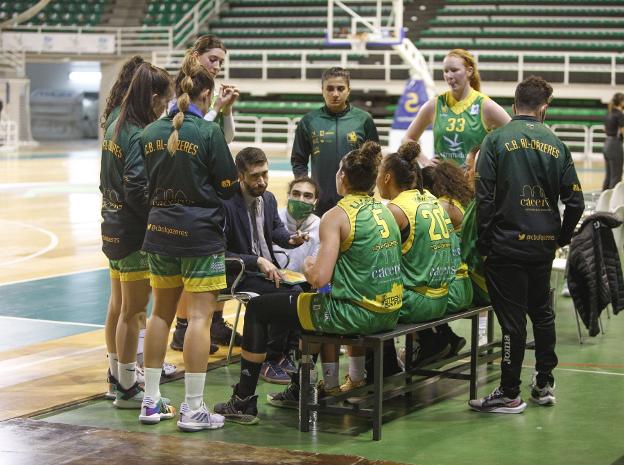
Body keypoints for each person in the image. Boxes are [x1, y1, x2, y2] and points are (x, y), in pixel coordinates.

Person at [213, 141, 403, 424]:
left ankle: (244, 400)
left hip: (354, 313)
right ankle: (300, 383)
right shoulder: (387, 211)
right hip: (390, 309)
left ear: (343, 178)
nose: (263, 181)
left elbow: (318, 276)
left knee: (268, 306)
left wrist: (309, 264)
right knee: (303, 297)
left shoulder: (336, 215)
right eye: (256, 175)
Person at [469, 76, 585, 413]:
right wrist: (560, 237)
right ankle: (544, 383)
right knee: (543, 314)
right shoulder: (557, 145)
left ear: (514, 103)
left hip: (505, 246)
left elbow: (485, 197)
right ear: (543, 108)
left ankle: (509, 392)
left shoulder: (495, 140)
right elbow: (575, 203)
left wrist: (486, 240)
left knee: (512, 322)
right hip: (542, 246)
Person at [139, 53, 239, 431]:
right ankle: (193, 409)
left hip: (159, 232)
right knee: (199, 318)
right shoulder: (209, 133)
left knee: (160, 315)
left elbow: (143, 182)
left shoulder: (149, 133)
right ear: (207, 95)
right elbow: (229, 187)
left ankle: (150, 402)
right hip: (200, 236)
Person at [100, 63, 174, 409]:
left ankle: (117, 377)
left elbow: (106, 182)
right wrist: (155, 218)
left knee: (118, 307)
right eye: (164, 102)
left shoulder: (115, 121)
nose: (165, 109)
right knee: (134, 312)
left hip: (111, 223)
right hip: (133, 231)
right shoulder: (137, 132)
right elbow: (136, 186)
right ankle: (128, 389)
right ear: (154, 97)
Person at [170, 35, 240, 354]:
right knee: (190, 268)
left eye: (221, 62)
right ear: (196, 56)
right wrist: (216, 112)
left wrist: (225, 111)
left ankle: (212, 323)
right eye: (213, 59)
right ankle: (184, 328)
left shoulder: (210, 94)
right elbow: (192, 132)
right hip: (186, 197)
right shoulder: (181, 89)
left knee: (214, 262)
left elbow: (221, 137)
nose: (217, 66)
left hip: (204, 194)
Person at [221, 147, 309, 384]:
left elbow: (277, 231)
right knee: (288, 294)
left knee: (307, 288)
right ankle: (269, 359)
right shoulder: (226, 203)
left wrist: (292, 238)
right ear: (240, 175)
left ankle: (284, 354)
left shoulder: (268, 199)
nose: (261, 181)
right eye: (255, 176)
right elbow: (219, 253)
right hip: (237, 273)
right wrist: (257, 261)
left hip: (264, 272)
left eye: (265, 174)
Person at [376, 142, 457, 368]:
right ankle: (428, 342)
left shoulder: (394, 210)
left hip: (417, 302)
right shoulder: (432, 199)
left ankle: (381, 370)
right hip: (442, 297)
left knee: (366, 300)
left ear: (387, 177)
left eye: (379, 173)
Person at [291, 66, 379, 216]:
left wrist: (368, 191)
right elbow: (299, 161)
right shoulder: (309, 121)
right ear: (322, 90)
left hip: (357, 202)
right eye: (330, 89)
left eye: (340, 88)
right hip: (321, 202)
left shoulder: (364, 119)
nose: (335, 94)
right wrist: (306, 189)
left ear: (348, 90)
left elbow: (375, 160)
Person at [403, 48, 510, 166]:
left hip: (473, 182)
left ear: (469, 71)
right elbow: (408, 138)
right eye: (445, 71)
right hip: (442, 181)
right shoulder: (434, 105)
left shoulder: (486, 106)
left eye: (454, 70)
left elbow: (516, 135)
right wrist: (425, 161)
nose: (449, 75)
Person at [273, 176, 321, 273]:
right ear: (288, 196)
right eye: (296, 194)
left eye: (307, 196)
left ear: (316, 201)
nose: (301, 200)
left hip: (304, 283)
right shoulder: (273, 219)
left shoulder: (320, 226)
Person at [602, 92, 624, 190]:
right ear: (621, 102)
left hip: (607, 144)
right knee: (616, 177)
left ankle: (603, 201)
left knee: (608, 176)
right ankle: (613, 203)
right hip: (615, 145)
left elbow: (605, 129)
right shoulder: (619, 114)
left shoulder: (608, 112)